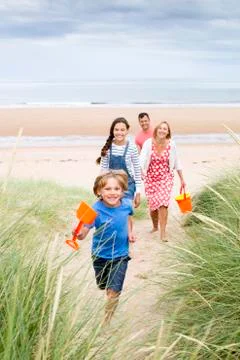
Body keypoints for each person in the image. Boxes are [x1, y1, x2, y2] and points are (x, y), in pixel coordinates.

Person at [76, 170, 136, 325]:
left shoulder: (127, 205)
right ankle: (106, 288)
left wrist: (130, 233)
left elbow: (129, 218)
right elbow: (83, 233)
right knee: (103, 285)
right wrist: (78, 234)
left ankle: (106, 320)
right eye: (107, 189)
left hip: (121, 255)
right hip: (100, 255)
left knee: (113, 291)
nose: (112, 193)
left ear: (122, 191)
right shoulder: (94, 210)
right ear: (99, 191)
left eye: (116, 189)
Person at [140, 121, 186, 241]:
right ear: (156, 130)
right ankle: (155, 227)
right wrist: (140, 172)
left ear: (168, 132)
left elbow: (177, 162)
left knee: (163, 203)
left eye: (165, 129)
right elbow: (142, 159)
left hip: (166, 178)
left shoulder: (172, 144)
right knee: (153, 207)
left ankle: (163, 233)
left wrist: (182, 179)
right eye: (160, 128)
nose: (162, 130)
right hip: (150, 178)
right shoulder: (148, 143)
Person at [96, 117, 141, 208]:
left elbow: (137, 170)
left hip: (128, 186)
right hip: (110, 185)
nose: (119, 132)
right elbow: (103, 171)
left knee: (126, 211)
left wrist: (138, 192)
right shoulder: (107, 147)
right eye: (116, 130)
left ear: (127, 131)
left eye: (122, 130)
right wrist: (100, 188)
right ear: (113, 131)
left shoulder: (132, 148)